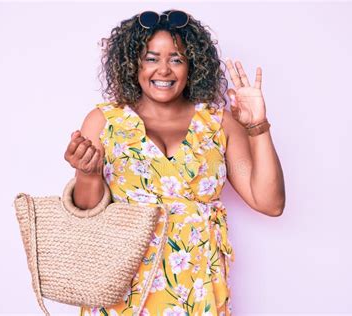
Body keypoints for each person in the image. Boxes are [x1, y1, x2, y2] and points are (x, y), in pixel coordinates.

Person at [63, 9, 285, 316]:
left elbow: (270, 203)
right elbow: (87, 214)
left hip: (197, 287)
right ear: (133, 64)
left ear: (193, 64)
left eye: (177, 59)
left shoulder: (218, 123)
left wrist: (257, 126)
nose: (164, 70)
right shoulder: (104, 121)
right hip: (122, 291)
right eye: (151, 58)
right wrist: (87, 173)